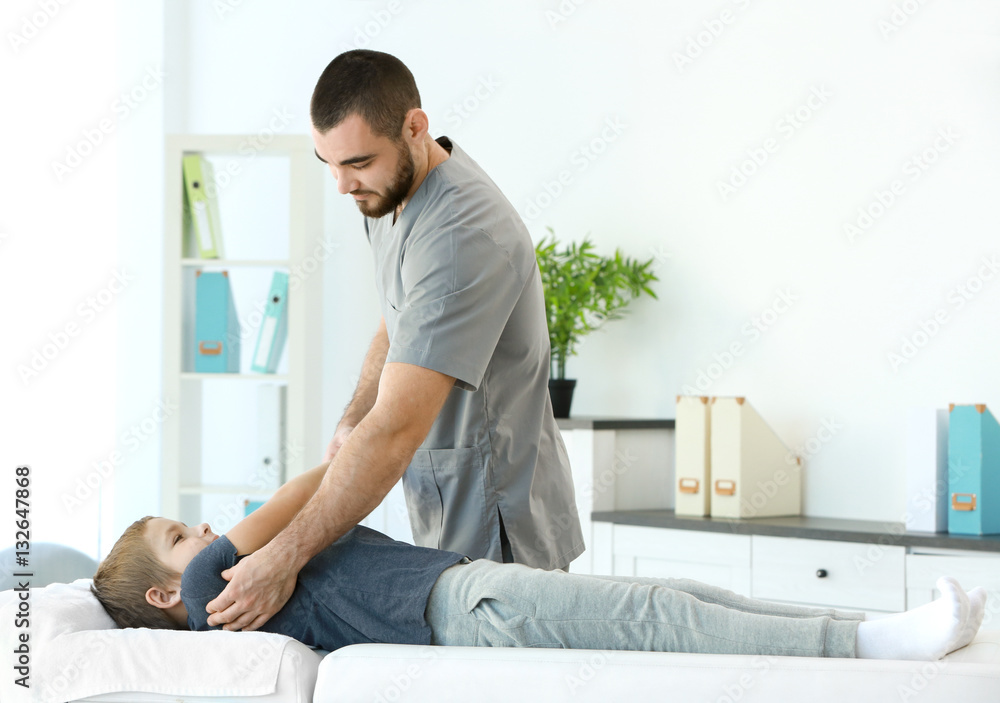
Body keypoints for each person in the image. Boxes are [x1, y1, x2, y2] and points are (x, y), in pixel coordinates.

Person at [202, 49, 584, 632]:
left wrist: (282, 557)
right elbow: (396, 317)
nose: (342, 184)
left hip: (501, 519)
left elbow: (397, 428)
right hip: (446, 501)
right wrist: (352, 420)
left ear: (415, 127)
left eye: (356, 162)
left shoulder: (460, 234)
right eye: (329, 164)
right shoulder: (387, 193)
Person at [91, 462, 987, 661]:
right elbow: (321, 482)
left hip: (459, 594)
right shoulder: (209, 590)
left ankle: (871, 629)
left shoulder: (223, 588)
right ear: (167, 591)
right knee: (660, 617)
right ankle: (875, 647)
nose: (199, 529)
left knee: (676, 593)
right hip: (460, 605)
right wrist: (353, 444)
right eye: (179, 533)